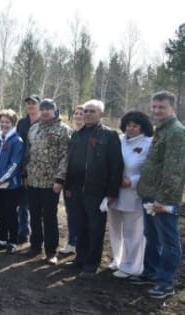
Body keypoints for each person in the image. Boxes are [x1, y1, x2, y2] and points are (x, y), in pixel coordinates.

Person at [132, 91, 185, 299]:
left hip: (162, 198)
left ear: (172, 107)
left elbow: (174, 170)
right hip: (150, 194)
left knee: (169, 242)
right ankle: (150, 272)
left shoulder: (176, 132)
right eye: (154, 106)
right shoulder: (160, 130)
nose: (156, 110)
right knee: (151, 236)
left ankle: (165, 283)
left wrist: (162, 199)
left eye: (161, 107)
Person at [65, 99, 123, 278]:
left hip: (96, 191)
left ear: (101, 115)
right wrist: (67, 185)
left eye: (92, 111)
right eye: (86, 111)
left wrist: (112, 192)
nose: (88, 114)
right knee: (79, 224)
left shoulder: (109, 136)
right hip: (75, 189)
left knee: (95, 227)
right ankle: (80, 258)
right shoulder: (77, 134)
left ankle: (91, 264)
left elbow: (116, 165)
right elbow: (70, 161)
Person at [22, 99, 70, 264]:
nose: (45, 111)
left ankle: (51, 251)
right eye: (42, 108)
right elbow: (28, 154)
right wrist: (25, 175)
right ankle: (35, 246)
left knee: (49, 217)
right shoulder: (33, 128)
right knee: (34, 216)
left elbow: (65, 156)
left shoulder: (63, 130)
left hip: (51, 183)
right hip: (33, 180)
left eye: (49, 108)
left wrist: (59, 179)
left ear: (55, 110)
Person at [108, 111, 153, 278]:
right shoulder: (118, 140)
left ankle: (131, 266)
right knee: (114, 229)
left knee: (132, 232)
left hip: (133, 194)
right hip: (114, 192)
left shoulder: (149, 144)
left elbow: (151, 170)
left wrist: (133, 181)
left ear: (143, 128)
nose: (130, 128)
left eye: (135, 126)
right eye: (128, 125)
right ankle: (117, 259)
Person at [0, 109, 24, 254]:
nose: (4, 124)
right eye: (2, 121)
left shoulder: (17, 141)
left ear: (13, 123)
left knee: (11, 214)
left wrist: (1, 179)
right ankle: (2, 239)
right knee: (0, 212)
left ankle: (12, 241)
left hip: (11, 186)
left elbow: (15, 164)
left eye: (7, 122)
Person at [60, 105, 84, 255]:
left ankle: (80, 244)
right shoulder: (71, 134)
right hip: (69, 181)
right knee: (71, 213)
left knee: (82, 215)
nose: (79, 116)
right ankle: (72, 242)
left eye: (81, 113)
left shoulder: (91, 135)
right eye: (76, 113)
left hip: (85, 183)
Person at [16, 95, 40, 244]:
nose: (31, 106)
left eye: (34, 103)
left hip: (39, 168)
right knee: (22, 202)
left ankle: (37, 235)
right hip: (22, 166)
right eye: (28, 103)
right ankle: (23, 231)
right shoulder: (22, 123)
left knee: (37, 205)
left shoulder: (44, 122)